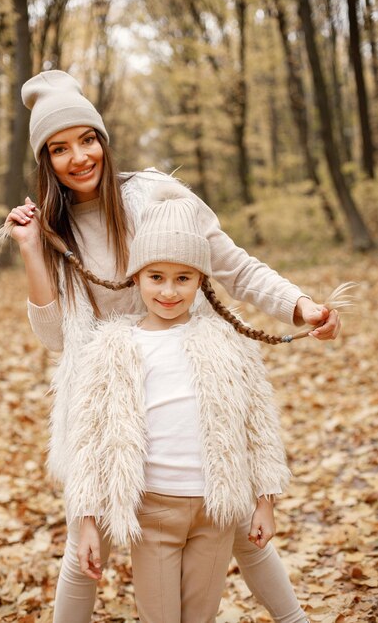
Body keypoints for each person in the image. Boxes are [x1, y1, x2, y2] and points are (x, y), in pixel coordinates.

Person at [0, 69, 340, 623]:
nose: (78, 157)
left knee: (238, 527)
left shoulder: (157, 195)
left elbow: (233, 266)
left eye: (87, 140)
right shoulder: (51, 228)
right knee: (87, 546)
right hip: (109, 398)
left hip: (188, 373)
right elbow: (57, 338)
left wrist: (300, 306)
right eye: (59, 149)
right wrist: (33, 252)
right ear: (46, 161)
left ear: (103, 140)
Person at [65, 182, 292, 623]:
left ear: (201, 281)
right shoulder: (113, 346)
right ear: (136, 277)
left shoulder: (227, 341)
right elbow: (88, 440)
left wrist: (265, 498)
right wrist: (88, 516)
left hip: (217, 510)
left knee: (200, 616)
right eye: (156, 277)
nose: (169, 291)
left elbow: (259, 424)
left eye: (183, 278)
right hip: (152, 512)